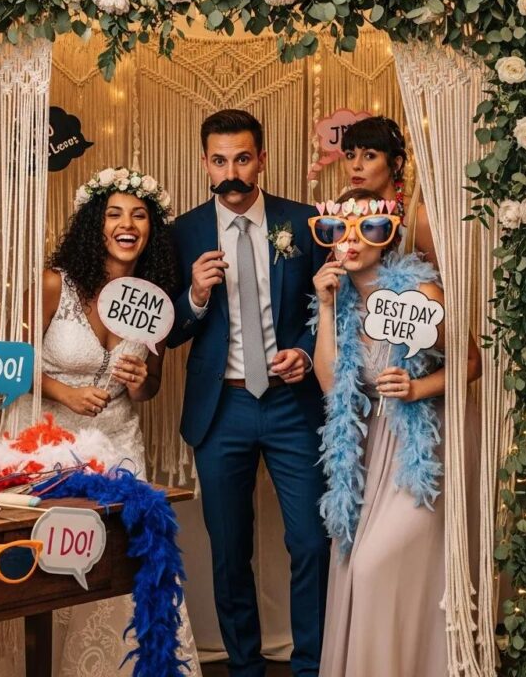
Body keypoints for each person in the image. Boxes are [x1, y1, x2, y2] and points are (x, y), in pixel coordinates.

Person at [0, 166, 200, 677]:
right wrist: (64, 390)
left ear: (151, 229)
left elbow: (149, 388)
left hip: (118, 445)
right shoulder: (51, 285)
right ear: (94, 225)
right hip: (47, 444)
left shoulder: (152, 302)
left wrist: (136, 379)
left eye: (139, 215)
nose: (127, 224)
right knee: (49, 560)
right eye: (114, 214)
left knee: (117, 563)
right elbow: (8, 363)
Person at [168, 109, 330, 677]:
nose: (231, 171)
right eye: (219, 160)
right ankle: (244, 668)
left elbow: (331, 306)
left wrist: (307, 351)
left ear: (261, 158)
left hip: (292, 406)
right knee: (229, 550)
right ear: (205, 162)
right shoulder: (182, 233)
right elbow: (168, 332)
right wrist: (193, 294)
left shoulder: (304, 222)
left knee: (311, 540)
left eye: (242, 158)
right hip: (222, 409)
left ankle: (311, 665)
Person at [310, 187, 481, 676]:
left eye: (371, 226)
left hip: (419, 449)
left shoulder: (421, 293)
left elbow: (470, 363)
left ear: (388, 234)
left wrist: (417, 386)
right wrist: (324, 307)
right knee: (358, 570)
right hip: (365, 453)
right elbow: (329, 385)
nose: (354, 239)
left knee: (375, 568)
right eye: (339, 228)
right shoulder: (338, 302)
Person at [340, 116, 438, 267]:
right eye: (350, 155)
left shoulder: (418, 218)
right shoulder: (347, 213)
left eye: (369, 155)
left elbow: (449, 283)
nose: (355, 165)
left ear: (396, 164)